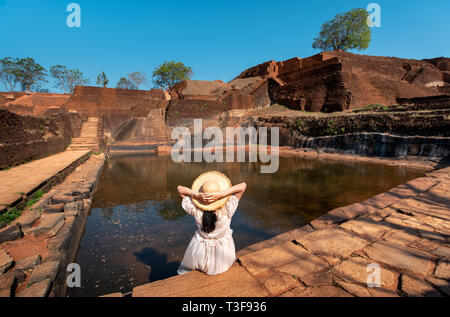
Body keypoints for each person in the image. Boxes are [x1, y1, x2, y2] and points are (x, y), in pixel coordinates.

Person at [176, 171, 247, 276]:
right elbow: (243, 186)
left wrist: (196, 195)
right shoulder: (227, 209)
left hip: (199, 251)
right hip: (222, 254)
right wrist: (221, 194)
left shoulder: (196, 210)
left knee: (185, 270)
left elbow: (180, 189)